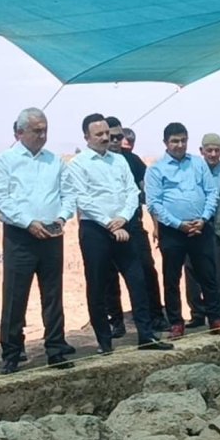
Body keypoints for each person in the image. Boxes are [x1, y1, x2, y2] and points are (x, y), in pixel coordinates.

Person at [64, 113, 174, 354]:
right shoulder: (79, 164)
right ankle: (105, 341)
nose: (105, 138)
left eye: (107, 133)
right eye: (99, 134)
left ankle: (146, 335)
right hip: (95, 229)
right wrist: (109, 223)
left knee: (137, 280)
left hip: (124, 226)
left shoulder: (120, 161)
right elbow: (82, 198)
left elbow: (132, 192)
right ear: (86, 137)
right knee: (98, 285)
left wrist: (123, 219)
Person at [0, 107, 77, 375]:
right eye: (36, 130)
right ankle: (12, 352)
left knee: (53, 294)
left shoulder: (55, 161)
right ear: (20, 132)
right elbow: (1, 200)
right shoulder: (5, 161)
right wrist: (29, 222)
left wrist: (62, 218)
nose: (42, 135)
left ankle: (56, 348)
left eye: (45, 130)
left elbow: (69, 193)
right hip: (20, 236)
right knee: (15, 295)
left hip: (52, 233)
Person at [144, 122, 220, 338]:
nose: (179, 145)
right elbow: (154, 204)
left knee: (208, 275)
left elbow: (211, 192)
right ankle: (176, 323)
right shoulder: (156, 169)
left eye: (183, 140)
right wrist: (178, 224)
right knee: (171, 278)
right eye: (175, 141)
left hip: (200, 228)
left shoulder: (198, 164)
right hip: (173, 231)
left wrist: (203, 218)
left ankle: (215, 318)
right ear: (166, 143)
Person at [106, 119, 166, 336]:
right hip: (105, 228)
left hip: (134, 225)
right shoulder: (96, 163)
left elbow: (147, 195)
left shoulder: (132, 161)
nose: (114, 141)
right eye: (110, 137)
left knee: (146, 271)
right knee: (108, 277)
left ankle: (156, 317)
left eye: (118, 137)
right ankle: (116, 321)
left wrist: (156, 225)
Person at [183, 133, 220, 331]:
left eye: (217, 150)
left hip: (217, 230)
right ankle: (197, 314)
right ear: (201, 151)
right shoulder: (192, 172)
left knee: (218, 274)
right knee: (191, 272)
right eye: (209, 150)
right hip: (194, 228)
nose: (213, 154)